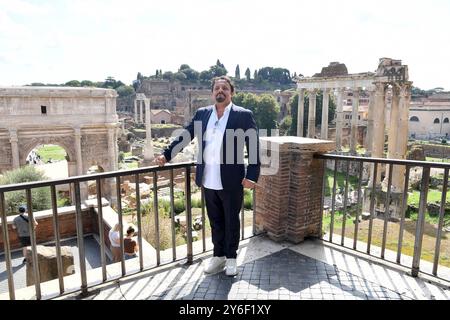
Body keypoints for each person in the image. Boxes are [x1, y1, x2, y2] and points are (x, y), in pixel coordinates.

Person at [156, 76, 260, 276]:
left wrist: (252, 175)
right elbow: (186, 135)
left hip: (231, 179)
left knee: (231, 220)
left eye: (225, 88)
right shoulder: (202, 114)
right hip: (207, 179)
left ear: (232, 92)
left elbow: (253, 146)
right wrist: (166, 154)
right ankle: (218, 256)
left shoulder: (243, 115)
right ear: (212, 93)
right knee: (215, 221)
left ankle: (231, 259)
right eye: (217, 88)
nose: (220, 91)